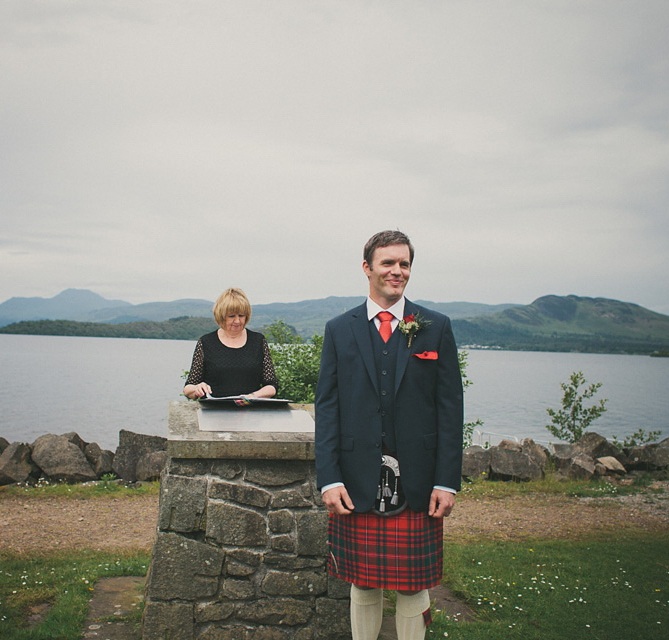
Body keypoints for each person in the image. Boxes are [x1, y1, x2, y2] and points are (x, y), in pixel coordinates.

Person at [314, 230, 464, 640]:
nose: (397, 271)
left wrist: (446, 481)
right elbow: (327, 409)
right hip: (356, 477)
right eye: (388, 263)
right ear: (367, 268)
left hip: (419, 479)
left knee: (414, 583)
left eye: (404, 264)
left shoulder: (435, 327)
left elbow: (451, 410)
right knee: (362, 581)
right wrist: (329, 478)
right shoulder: (338, 329)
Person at [183, 287, 278, 400]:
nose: (237, 321)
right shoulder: (206, 342)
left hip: (250, 412)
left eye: (241, 315)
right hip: (214, 414)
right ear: (221, 316)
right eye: (232, 316)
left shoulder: (258, 341)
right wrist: (197, 388)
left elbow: (272, 386)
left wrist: (252, 396)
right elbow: (188, 388)